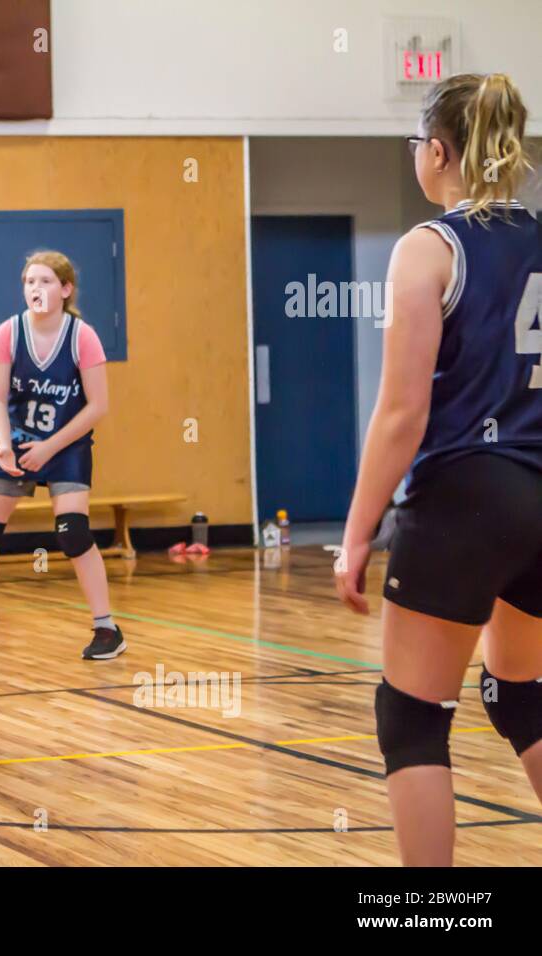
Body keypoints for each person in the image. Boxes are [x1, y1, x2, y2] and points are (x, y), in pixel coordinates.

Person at [335, 73, 542, 866]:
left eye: (417, 145)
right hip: (535, 492)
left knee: (413, 719)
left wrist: (355, 536)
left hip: (466, 496)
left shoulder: (428, 247)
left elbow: (400, 416)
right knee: (521, 695)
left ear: (440, 151)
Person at [0, 250, 124, 659]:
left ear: (65, 288)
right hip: (18, 440)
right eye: (29, 282)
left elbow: (98, 406)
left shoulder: (82, 336)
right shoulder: (8, 333)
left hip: (66, 442)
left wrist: (50, 448)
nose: (35, 288)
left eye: (44, 281)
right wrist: (4, 445)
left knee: (73, 532)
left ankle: (106, 627)